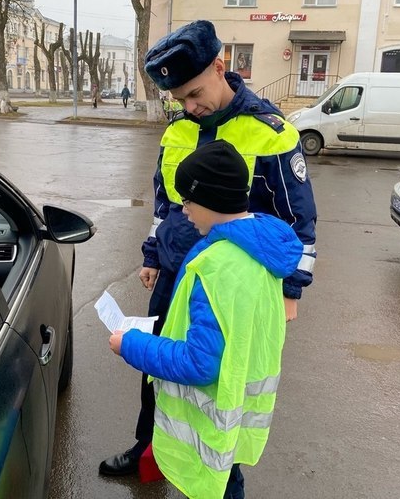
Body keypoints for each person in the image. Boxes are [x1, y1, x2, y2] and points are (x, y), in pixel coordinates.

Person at [99, 19, 317, 476]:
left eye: (195, 93)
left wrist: (291, 289)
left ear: (221, 66)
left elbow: (298, 218)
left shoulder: (271, 131)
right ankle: (150, 451)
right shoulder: (178, 131)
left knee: (218, 379)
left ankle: (220, 470)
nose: (190, 107)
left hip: (227, 285)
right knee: (155, 365)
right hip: (178, 272)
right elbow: (165, 202)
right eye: (179, 100)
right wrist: (152, 255)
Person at [108, 140, 303, 498]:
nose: (183, 210)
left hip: (213, 413)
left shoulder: (216, 266)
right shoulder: (260, 249)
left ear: (210, 200)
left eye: (188, 200)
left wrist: (131, 345)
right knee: (230, 478)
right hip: (238, 405)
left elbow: (200, 363)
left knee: (217, 485)